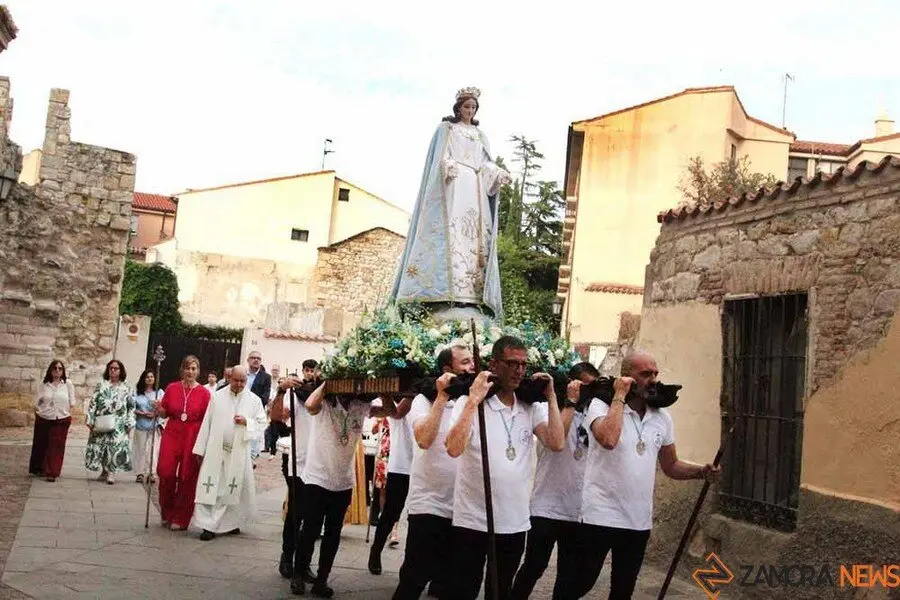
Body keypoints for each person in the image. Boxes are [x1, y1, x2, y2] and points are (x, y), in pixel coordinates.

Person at [566, 351, 721, 600]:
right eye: (645, 374)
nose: (653, 379)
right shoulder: (600, 406)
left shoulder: (662, 418)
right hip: (600, 516)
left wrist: (700, 472)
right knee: (578, 584)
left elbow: (671, 466)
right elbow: (608, 439)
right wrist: (619, 395)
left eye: (655, 373)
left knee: (623, 590)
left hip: (637, 521)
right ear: (627, 377)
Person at [444, 336, 566, 600]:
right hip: (473, 521)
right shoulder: (472, 402)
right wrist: (474, 400)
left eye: (523, 364)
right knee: (460, 591)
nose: (519, 370)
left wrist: (552, 396)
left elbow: (556, 443)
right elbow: (453, 448)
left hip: (514, 523)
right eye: (512, 363)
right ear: (494, 365)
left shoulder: (530, 406)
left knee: (499, 592)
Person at [391, 86, 512, 318]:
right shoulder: (446, 129)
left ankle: (473, 295)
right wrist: (448, 166)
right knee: (453, 237)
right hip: (454, 188)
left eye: (473, 107)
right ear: (458, 108)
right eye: (467, 107)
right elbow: (440, 157)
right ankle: (448, 291)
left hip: (475, 190)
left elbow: (485, 163)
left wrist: (498, 173)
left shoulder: (480, 135)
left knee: (475, 241)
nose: (470, 111)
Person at [284, 381, 393, 597]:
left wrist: (384, 390)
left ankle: (322, 580)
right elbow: (309, 406)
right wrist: (327, 383)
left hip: (343, 481)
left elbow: (392, 412)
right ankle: (299, 574)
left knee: (333, 534)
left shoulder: (361, 406)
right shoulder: (325, 402)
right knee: (310, 530)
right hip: (317, 477)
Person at [509, 362, 600, 600]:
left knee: (569, 575)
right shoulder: (554, 410)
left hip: (577, 509)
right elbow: (555, 442)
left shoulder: (596, 415)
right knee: (533, 567)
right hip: (546, 506)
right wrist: (571, 400)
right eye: (584, 386)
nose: (587, 394)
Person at [391, 344, 474, 600]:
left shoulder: (471, 401)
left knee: (447, 585)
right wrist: (441, 396)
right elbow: (424, 439)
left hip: (462, 509)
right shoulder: (422, 400)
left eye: (473, 361)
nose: (472, 367)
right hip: (429, 506)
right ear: (448, 369)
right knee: (414, 579)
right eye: (465, 362)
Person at [191, 366, 268, 541]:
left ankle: (230, 523)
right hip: (216, 450)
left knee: (235, 488)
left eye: (243, 381)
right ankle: (208, 525)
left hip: (239, 452)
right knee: (212, 487)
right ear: (229, 378)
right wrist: (200, 448)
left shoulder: (254, 400)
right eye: (236, 380)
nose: (239, 384)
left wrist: (247, 422)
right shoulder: (217, 397)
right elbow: (207, 423)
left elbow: (262, 423)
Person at [269, 364, 318, 581]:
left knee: (313, 518)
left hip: (320, 466)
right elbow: (276, 416)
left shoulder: (328, 399)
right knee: (295, 515)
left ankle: (304, 563)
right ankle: (287, 557)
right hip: (298, 463)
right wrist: (281, 390)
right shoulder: (297, 397)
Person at [156, 355, 212, 531]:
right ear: (182, 369)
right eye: (187, 368)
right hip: (172, 432)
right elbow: (164, 413)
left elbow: (207, 420)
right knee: (165, 472)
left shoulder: (204, 393)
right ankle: (167, 511)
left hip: (192, 435)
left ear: (198, 372)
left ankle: (180, 517)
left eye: (194, 368)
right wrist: (158, 409)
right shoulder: (172, 388)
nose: (190, 371)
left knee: (187, 477)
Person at [369, 388, 413, 574]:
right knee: (391, 513)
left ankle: (413, 565)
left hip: (424, 468)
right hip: (401, 466)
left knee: (420, 519)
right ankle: (375, 551)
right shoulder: (399, 404)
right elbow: (397, 413)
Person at [84, 360, 134, 485]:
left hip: (119, 422)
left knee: (114, 447)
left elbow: (131, 406)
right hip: (102, 420)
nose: (113, 370)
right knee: (102, 446)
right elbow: (93, 402)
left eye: (116, 368)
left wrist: (130, 422)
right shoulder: (101, 385)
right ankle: (104, 470)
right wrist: (90, 418)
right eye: (111, 368)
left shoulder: (126, 387)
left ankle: (111, 472)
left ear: (121, 370)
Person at [30, 360, 76, 482]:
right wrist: (41, 411)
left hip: (61, 419)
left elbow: (72, 402)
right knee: (42, 444)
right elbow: (37, 401)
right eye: (55, 368)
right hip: (45, 418)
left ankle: (52, 472)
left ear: (63, 371)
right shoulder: (44, 384)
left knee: (57, 446)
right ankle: (40, 468)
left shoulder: (68, 384)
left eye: (60, 368)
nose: (57, 370)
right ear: (50, 370)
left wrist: (64, 411)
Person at [133, 369, 164, 484]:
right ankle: (139, 473)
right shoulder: (137, 393)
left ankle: (152, 472)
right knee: (140, 449)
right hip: (141, 424)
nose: (150, 378)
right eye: (147, 377)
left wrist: (156, 413)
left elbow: (164, 409)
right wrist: (141, 413)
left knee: (153, 450)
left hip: (153, 425)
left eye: (151, 376)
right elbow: (132, 407)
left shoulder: (159, 393)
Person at [246, 351, 272, 461]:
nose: (256, 360)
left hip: (255, 413)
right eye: (253, 358)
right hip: (239, 411)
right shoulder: (242, 374)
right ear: (248, 360)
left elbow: (265, 397)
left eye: (258, 358)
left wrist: (252, 406)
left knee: (252, 441)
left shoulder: (265, 377)